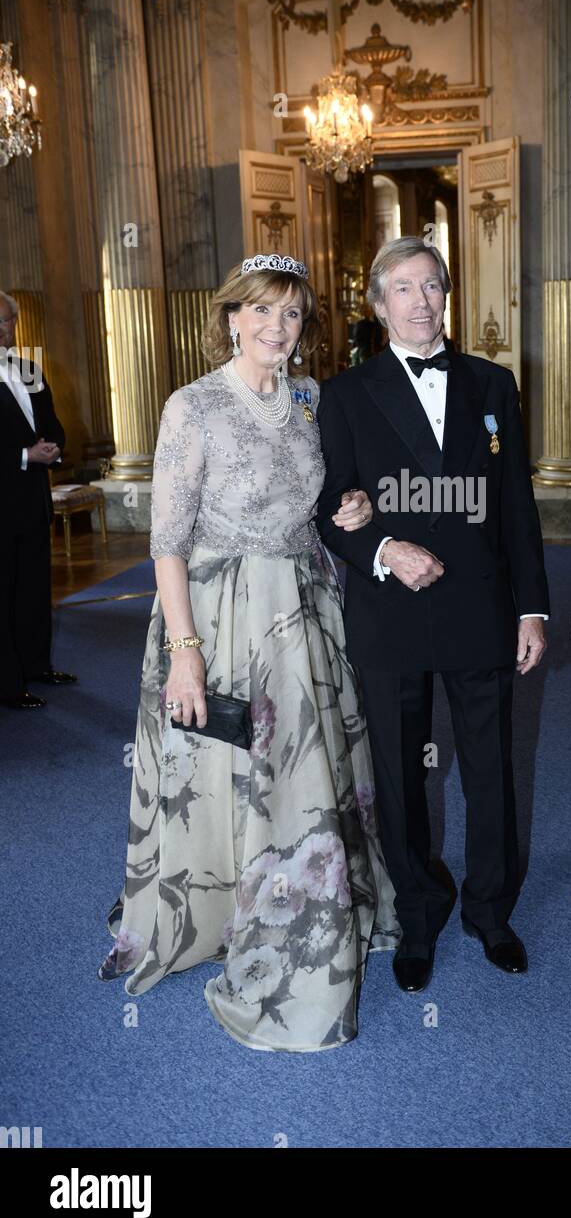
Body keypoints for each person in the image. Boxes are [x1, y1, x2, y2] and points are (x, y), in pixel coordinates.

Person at [98, 253, 399, 1052]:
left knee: (302, 769)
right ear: (230, 318)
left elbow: (330, 500)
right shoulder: (191, 406)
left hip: (304, 608)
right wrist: (186, 654)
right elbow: (166, 541)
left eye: (292, 314)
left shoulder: (310, 399)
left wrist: (356, 502)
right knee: (227, 771)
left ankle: (301, 910)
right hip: (220, 614)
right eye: (260, 312)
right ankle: (222, 904)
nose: (276, 327)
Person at [316, 235, 549, 994]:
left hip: (481, 608)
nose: (422, 301)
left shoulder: (492, 384)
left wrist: (532, 609)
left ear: (448, 297)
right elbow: (331, 508)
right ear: (379, 306)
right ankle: (417, 914)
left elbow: (515, 503)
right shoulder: (345, 393)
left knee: (491, 770)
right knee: (399, 776)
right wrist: (383, 546)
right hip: (391, 610)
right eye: (404, 290)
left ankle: (490, 910)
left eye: (433, 286)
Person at [0, 291, 76, 710]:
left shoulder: (27, 367)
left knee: (33, 587)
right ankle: (8, 685)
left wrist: (53, 449)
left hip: (32, 500)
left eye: (7, 321)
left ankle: (36, 666)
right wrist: (22, 456)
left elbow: (52, 423)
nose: (3, 330)